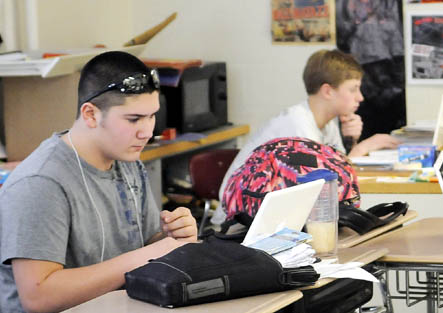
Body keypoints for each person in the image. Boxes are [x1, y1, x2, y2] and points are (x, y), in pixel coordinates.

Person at [0, 51, 198, 312]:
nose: (147, 132)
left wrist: (173, 236)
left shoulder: (128, 161)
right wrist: (151, 253)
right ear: (91, 115)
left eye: (152, 116)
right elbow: (39, 297)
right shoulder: (40, 183)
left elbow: (148, 242)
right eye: (134, 119)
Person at [217, 49, 399, 222]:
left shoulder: (328, 123)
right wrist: (362, 148)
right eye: (353, 89)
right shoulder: (297, 125)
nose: (360, 97)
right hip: (239, 219)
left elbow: (339, 172)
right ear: (327, 91)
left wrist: (352, 141)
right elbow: (325, 183)